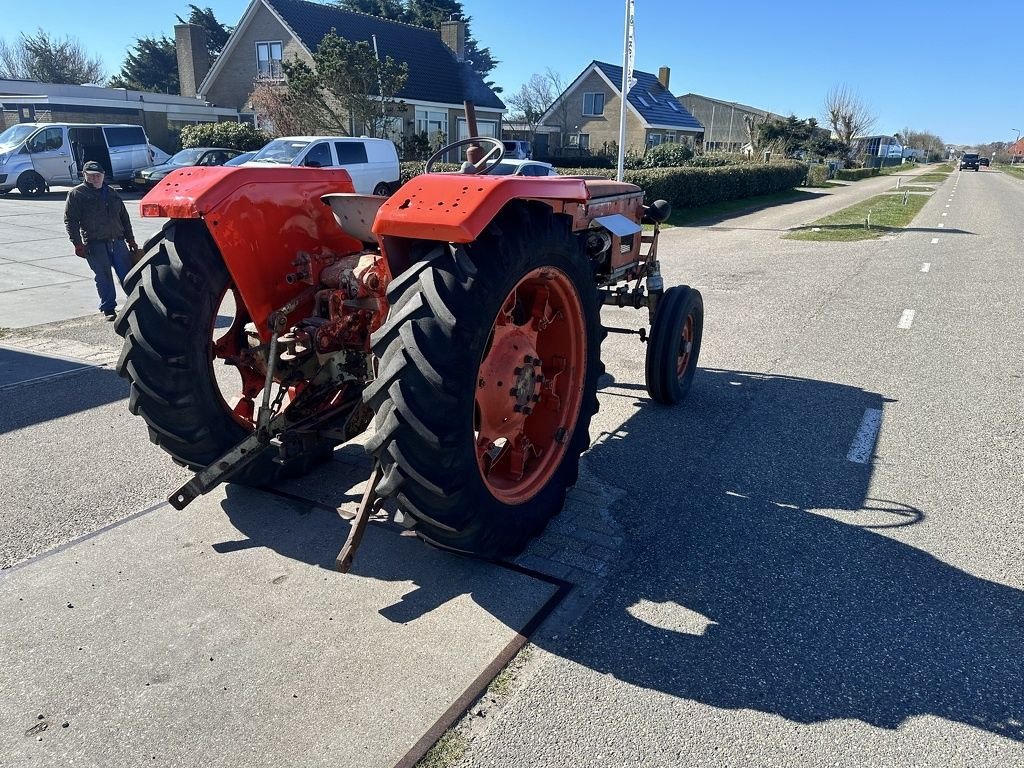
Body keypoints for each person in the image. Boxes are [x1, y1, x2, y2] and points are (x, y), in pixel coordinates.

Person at [64, 160, 138, 320]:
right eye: (91, 176)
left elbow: (124, 218)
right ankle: (109, 309)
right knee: (103, 276)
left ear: (103, 176)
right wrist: (77, 243)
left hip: (118, 241)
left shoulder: (112, 193)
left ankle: (136, 304)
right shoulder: (77, 194)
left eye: (98, 175)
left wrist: (130, 240)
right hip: (95, 243)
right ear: (84, 175)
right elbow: (70, 220)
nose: (95, 178)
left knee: (128, 275)